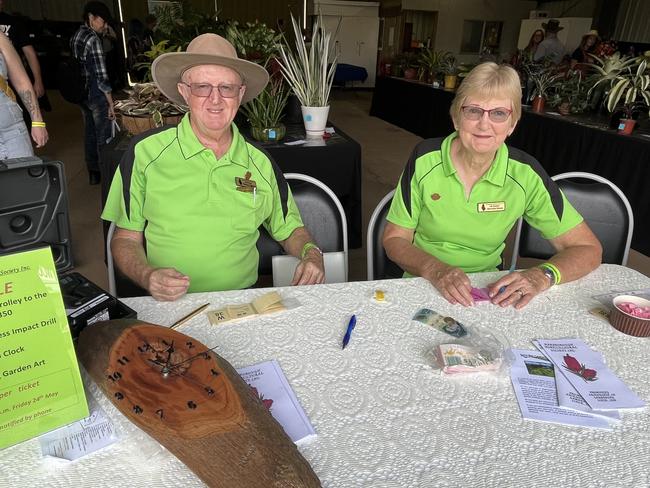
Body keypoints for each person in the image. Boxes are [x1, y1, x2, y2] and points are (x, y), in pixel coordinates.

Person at [101, 33, 325, 301]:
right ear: (184, 92)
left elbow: (291, 230)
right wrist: (148, 275)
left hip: (241, 303)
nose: (215, 99)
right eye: (202, 87)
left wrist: (312, 254)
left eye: (226, 88)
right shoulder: (145, 153)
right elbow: (125, 240)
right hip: (168, 303)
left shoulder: (260, 163)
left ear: (240, 94)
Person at [382, 62, 602, 309]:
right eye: (473, 111)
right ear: (456, 118)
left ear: (512, 124)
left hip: (487, 291)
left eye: (498, 113)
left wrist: (542, 276)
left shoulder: (525, 174)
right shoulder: (425, 158)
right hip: (423, 281)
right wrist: (436, 269)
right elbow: (395, 238)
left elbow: (588, 248)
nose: (484, 124)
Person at [71, 1, 115, 185]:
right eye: (102, 22)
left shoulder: (77, 35)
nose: (104, 26)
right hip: (95, 94)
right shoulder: (93, 40)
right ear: (91, 17)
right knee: (103, 135)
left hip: (81, 92)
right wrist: (111, 102)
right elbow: (102, 77)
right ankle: (107, 174)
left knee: (89, 132)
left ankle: (94, 172)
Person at [0, 32, 47, 159]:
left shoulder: (0, 38)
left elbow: (22, 81)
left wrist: (37, 121)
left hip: (11, 131)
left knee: (22, 177)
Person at [0, 0, 47, 127]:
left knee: (24, 120)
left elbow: (30, 53)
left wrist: (37, 80)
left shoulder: (13, 22)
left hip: (14, 80)